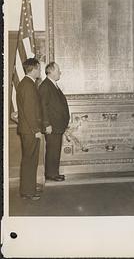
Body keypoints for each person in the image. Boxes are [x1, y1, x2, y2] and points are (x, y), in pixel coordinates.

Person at [16, 58, 43, 201]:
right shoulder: (28, 85)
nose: (40, 71)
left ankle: (29, 187)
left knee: (29, 160)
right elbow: (29, 111)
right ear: (33, 69)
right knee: (30, 160)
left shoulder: (27, 83)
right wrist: (35, 130)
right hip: (30, 130)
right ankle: (28, 191)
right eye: (38, 68)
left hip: (28, 129)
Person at [39, 62, 70, 182]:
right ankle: (51, 174)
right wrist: (47, 124)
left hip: (57, 125)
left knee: (55, 149)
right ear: (51, 71)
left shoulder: (53, 85)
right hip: (52, 126)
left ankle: (54, 172)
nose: (60, 72)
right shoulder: (46, 86)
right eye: (58, 70)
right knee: (53, 149)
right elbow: (43, 107)